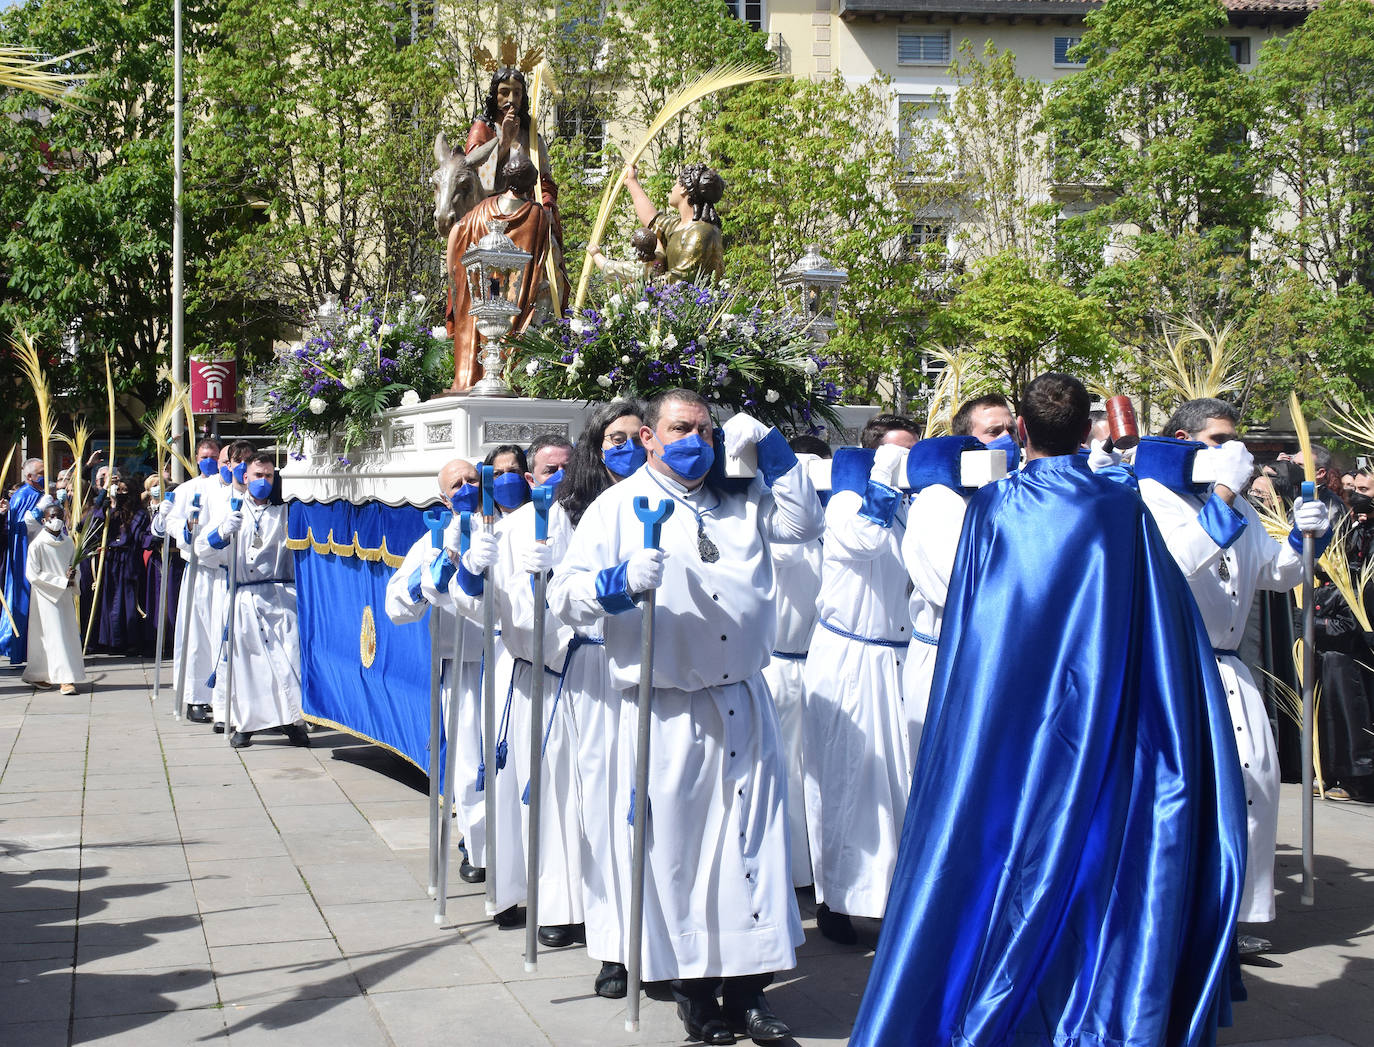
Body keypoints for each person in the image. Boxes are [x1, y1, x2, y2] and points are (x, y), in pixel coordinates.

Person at [849, 374, 1246, 1047]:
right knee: (1099, 862)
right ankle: (1089, 1004)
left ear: (1024, 432)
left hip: (1014, 720)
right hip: (1105, 715)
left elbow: (980, 627)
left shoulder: (994, 507)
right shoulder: (1122, 503)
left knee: (1009, 853)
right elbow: (1162, 611)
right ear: (1088, 427)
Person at [549, 389, 822, 1045]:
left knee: (749, 850)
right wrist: (614, 582)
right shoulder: (617, 507)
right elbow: (565, 595)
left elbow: (803, 525)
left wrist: (776, 449)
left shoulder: (739, 496)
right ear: (649, 436)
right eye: (679, 427)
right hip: (667, 708)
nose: (693, 437)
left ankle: (751, 990)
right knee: (679, 856)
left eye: (704, 427)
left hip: (741, 699)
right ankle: (697, 996)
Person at [1138, 396, 1329, 952]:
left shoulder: (1240, 508)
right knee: (1189, 800)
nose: (1234, 451)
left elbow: (1276, 573)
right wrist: (1223, 492)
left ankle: (1235, 917)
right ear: (1181, 441)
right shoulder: (1148, 499)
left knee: (1253, 790)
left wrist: (1303, 535)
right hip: (1175, 672)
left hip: (1230, 671)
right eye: (1219, 440)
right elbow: (1179, 561)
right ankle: (1179, 920)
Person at [803, 413, 919, 945]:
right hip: (851, 656)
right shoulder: (850, 502)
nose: (907, 464)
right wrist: (884, 477)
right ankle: (835, 898)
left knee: (897, 784)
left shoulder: (911, 507)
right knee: (849, 781)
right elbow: (863, 543)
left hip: (896, 655)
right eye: (898, 453)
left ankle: (890, 894)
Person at [551, 400, 646, 998]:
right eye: (615, 438)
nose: (627, 446)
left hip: (665, 676)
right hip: (598, 673)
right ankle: (614, 946)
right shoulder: (572, 513)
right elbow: (568, 597)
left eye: (638, 436)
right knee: (609, 809)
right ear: (596, 449)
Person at [384, 457, 488, 883]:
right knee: (470, 761)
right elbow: (396, 606)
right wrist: (431, 577)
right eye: (456, 484)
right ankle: (478, 845)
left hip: (516, 661)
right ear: (444, 497)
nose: (465, 487)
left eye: (472, 480)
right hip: (464, 664)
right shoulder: (433, 539)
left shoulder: (510, 527)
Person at [196, 453, 308, 749]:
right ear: (245, 477)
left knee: (289, 659)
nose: (263, 481)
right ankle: (247, 724)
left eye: (269, 476)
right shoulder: (231, 511)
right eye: (258, 475)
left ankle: (293, 722)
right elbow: (201, 549)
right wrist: (221, 533)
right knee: (248, 666)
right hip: (245, 595)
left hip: (280, 596)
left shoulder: (284, 513)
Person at [762, 436, 829, 892]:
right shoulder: (780, 525)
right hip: (779, 664)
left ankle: (816, 868)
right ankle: (788, 870)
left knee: (817, 773)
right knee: (783, 770)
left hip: (820, 663)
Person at [446, 155, 557, 394]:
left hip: (484, 293)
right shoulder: (536, 214)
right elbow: (547, 257)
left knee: (485, 321)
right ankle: (506, 376)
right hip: (514, 298)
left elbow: (456, 230)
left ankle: (478, 375)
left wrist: (453, 272)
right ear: (530, 185)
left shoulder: (482, 210)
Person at [154, 437, 223, 722]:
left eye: (213, 455)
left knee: (223, 635)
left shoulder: (230, 488)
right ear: (196, 458)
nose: (207, 460)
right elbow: (167, 523)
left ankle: (225, 696)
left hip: (226, 571)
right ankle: (196, 698)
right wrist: (181, 528)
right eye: (203, 456)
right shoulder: (186, 489)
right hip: (197, 570)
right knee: (195, 636)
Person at [23, 498, 86, 694]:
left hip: (64, 596)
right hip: (45, 597)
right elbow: (32, 574)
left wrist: (73, 576)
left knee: (65, 635)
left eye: (59, 516)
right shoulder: (38, 545)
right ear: (44, 520)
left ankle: (43, 674)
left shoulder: (68, 543)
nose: (56, 520)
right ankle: (63, 679)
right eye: (52, 517)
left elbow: (74, 567)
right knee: (50, 637)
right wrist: (60, 582)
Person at [625, 162, 725, 285]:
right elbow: (652, 219)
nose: (672, 189)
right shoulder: (677, 225)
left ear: (683, 188)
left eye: (676, 183)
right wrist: (632, 182)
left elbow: (681, 278)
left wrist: (642, 287)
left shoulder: (701, 232)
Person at [1, 459, 47, 663]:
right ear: (30, 477)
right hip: (25, 555)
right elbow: (19, 529)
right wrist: (39, 511)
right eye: (41, 472)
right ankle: (19, 648)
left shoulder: (44, 494)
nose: (45, 475)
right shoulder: (21, 497)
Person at [589, 228, 665, 285]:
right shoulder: (658, 259)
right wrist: (657, 237)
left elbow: (608, 267)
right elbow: (660, 250)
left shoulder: (635, 268)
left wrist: (595, 253)